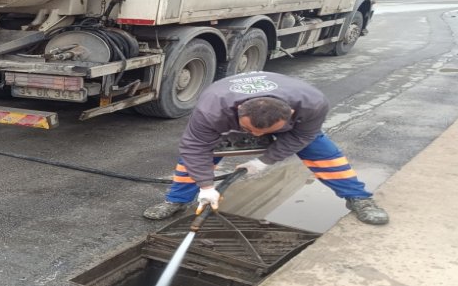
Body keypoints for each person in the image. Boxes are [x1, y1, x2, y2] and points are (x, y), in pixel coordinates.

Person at [144, 71, 389, 225]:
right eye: (252, 131)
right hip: (230, 121)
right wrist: (207, 187)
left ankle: (358, 198)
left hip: (287, 125)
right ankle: (175, 201)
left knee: (324, 155)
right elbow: (194, 147)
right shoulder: (213, 109)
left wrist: (264, 161)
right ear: (239, 112)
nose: (258, 137)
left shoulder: (312, 104)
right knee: (195, 161)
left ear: (291, 114)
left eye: (265, 133)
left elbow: (302, 136)